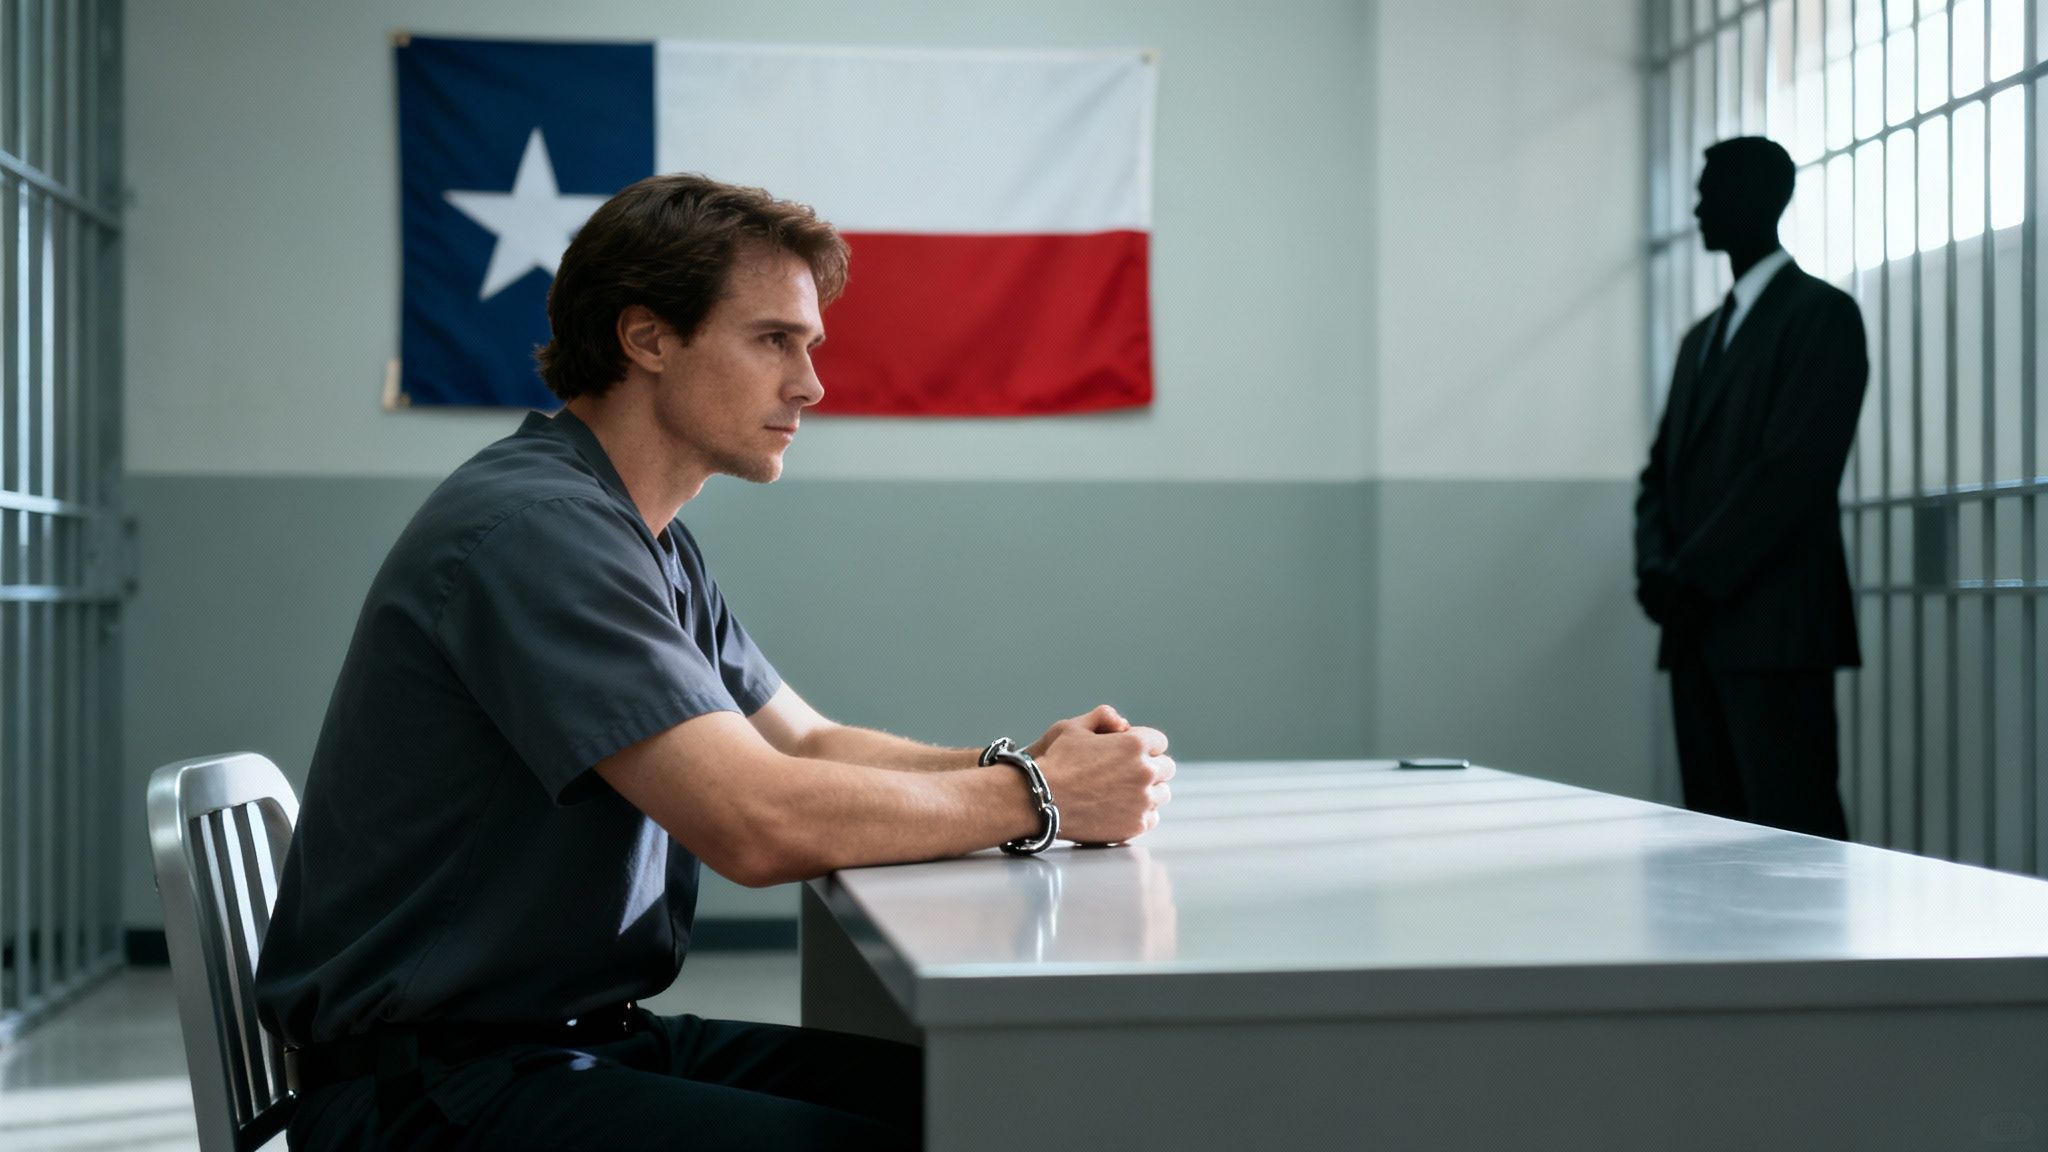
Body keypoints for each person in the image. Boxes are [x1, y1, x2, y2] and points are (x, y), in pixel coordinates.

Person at [255, 173, 1176, 1151]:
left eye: (808, 345)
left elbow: (806, 743)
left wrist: (1018, 767)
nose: (810, 384)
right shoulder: (541, 529)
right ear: (647, 337)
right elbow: (755, 822)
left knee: (996, 1102)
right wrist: (1037, 797)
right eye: (772, 340)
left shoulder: (636, 531)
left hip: (567, 1046)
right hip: (437, 1099)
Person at [1634, 136, 1868, 841]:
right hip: (1698, 627)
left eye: (1711, 188)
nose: (1699, 204)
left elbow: (1794, 471)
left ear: (1761, 199)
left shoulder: (1822, 316)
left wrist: (1690, 576)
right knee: (1711, 838)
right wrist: (1654, 569)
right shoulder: (1700, 339)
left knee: (1793, 833)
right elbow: (1659, 473)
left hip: (1775, 627)